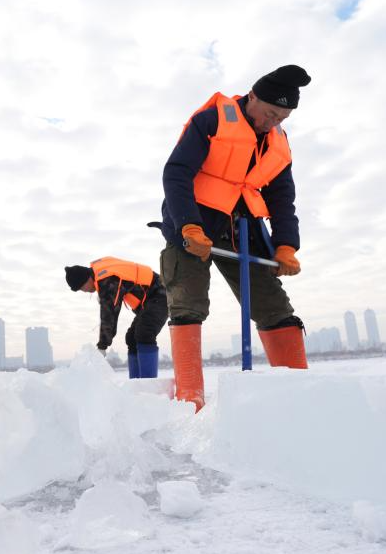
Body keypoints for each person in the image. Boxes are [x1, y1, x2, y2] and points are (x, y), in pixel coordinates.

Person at [159, 64, 312, 410]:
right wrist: (188, 226)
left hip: (241, 229)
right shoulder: (213, 120)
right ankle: (190, 399)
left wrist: (286, 244)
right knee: (188, 303)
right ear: (252, 97)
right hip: (193, 224)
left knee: (275, 308)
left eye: (282, 118)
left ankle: (301, 396)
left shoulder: (277, 143)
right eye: (270, 113)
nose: (273, 123)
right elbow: (176, 173)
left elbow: (281, 197)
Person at [64, 257, 168, 378]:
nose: (84, 291)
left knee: (144, 333)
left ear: (86, 279)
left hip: (161, 294)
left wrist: (102, 346)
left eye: (82, 288)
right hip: (150, 300)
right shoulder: (101, 273)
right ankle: (136, 383)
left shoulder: (106, 280)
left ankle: (149, 383)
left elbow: (109, 313)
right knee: (131, 338)